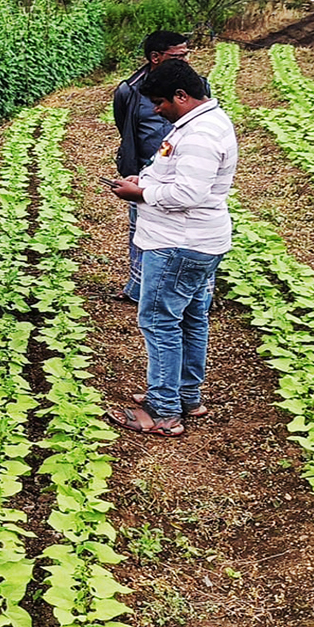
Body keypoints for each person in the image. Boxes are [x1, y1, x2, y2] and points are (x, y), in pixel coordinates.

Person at [103, 59, 238, 437]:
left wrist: (140, 192)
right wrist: (143, 177)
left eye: (161, 102)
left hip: (179, 243)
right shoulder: (203, 124)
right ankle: (186, 395)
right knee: (192, 319)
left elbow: (188, 193)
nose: (157, 110)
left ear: (182, 96)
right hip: (197, 241)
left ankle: (162, 411)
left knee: (160, 322)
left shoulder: (199, 134)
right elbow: (179, 177)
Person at [111, 31, 206, 302]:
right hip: (144, 171)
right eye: (178, 55)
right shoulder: (129, 90)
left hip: (184, 172)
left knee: (183, 231)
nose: (186, 60)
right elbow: (125, 127)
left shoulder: (196, 85)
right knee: (141, 232)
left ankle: (181, 291)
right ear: (155, 57)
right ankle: (138, 288)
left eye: (187, 54)